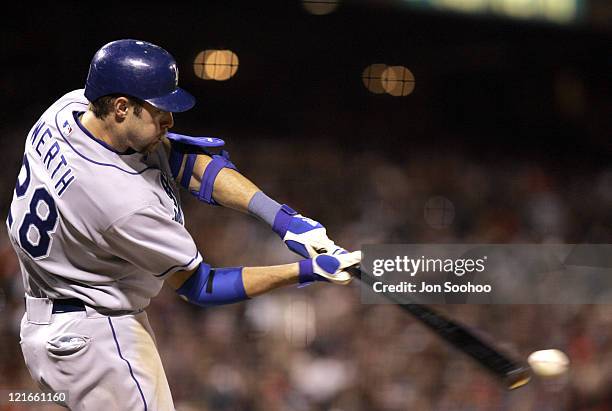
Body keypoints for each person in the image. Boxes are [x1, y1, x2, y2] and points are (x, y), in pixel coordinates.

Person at [6, 39, 361, 410]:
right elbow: (201, 286)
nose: (170, 119)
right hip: (95, 340)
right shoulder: (122, 203)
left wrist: (284, 221)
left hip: (48, 322)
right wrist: (305, 271)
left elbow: (184, 159)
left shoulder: (67, 110)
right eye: (160, 110)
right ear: (122, 107)